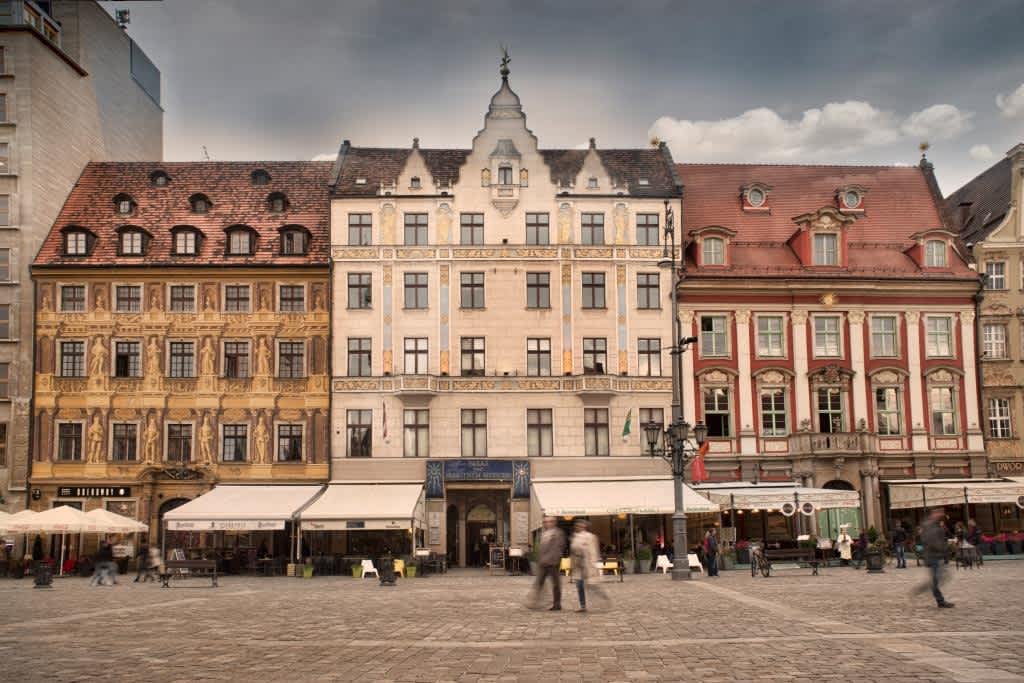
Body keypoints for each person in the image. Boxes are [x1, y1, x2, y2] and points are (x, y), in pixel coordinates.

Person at [916, 508, 954, 608]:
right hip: (933, 556)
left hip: (935, 555)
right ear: (934, 514)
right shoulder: (930, 525)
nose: (941, 514)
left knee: (939, 578)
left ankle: (937, 598)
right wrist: (943, 548)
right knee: (937, 579)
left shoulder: (934, 524)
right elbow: (932, 541)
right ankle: (935, 597)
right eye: (939, 512)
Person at [530, 516, 566, 611]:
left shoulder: (558, 533)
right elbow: (541, 549)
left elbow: (559, 548)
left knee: (555, 584)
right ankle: (535, 602)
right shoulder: (544, 533)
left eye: (549, 522)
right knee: (539, 582)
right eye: (545, 522)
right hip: (543, 563)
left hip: (553, 563)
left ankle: (557, 604)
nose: (546, 523)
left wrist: (554, 560)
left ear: (554, 522)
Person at [569, 519, 605, 613]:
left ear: (585, 527)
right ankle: (583, 606)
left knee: (591, 585)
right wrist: (572, 563)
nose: (578, 527)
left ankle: (602, 598)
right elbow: (573, 551)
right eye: (577, 526)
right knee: (580, 586)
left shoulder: (590, 537)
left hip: (587, 564)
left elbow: (593, 551)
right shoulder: (575, 537)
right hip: (578, 565)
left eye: (581, 526)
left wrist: (593, 563)